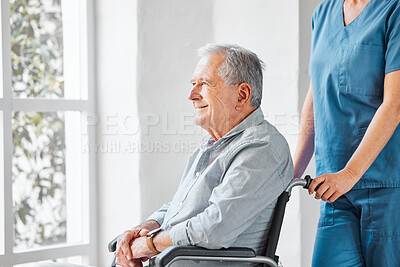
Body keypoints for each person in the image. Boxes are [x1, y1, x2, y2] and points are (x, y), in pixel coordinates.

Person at [114, 44, 293, 267]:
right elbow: (181, 208)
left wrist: (149, 245)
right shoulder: (213, 143)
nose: (191, 95)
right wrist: (144, 229)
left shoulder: (262, 148)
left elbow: (215, 228)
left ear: (242, 95)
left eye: (204, 83)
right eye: (193, 84)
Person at [293, 0, 400, 266]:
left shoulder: (393, 10)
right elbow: (315, 95)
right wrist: (292, 172)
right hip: (334, 189)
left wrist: (350, 174)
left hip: (387, 186)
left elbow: (395, 104)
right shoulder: (323, 13)